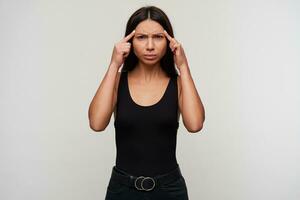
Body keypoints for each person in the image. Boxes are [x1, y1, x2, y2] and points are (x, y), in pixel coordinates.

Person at [88, 5, 205, 200]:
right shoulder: (117, 81)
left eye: (158, 37)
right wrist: (114, 64)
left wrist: (183, 66)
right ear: (130, 41)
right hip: (122, 190)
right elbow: (96, 124)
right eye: (141, 37)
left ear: (169, 41)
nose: (150, 46)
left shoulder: (178, 83)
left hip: (169, 190)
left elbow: (195, 125)